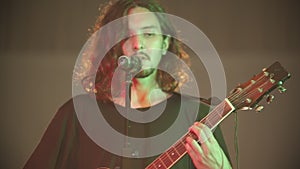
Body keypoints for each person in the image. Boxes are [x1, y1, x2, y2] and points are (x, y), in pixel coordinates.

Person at [24, 0, 232, 168]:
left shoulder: (195, 115)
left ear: (164, 43)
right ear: (114, 46)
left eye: (149, 34)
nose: (137, 44)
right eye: (127, 36)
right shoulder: (78, 114)